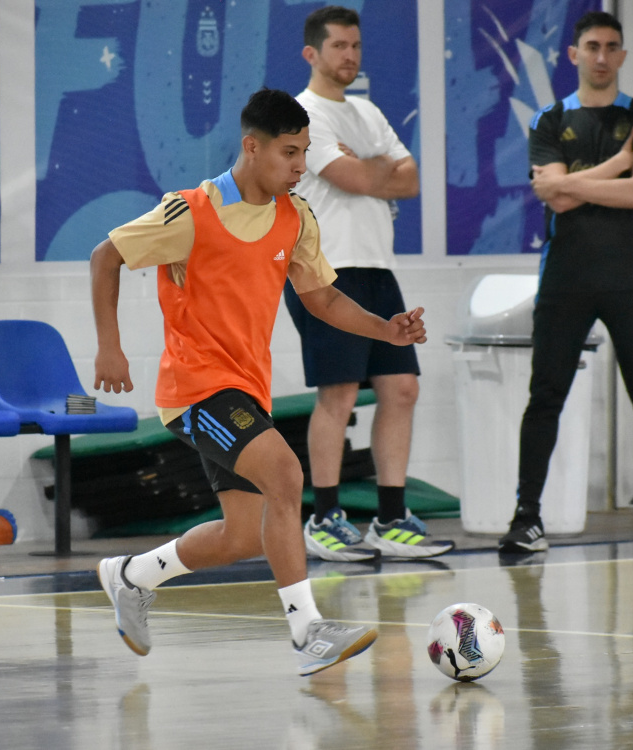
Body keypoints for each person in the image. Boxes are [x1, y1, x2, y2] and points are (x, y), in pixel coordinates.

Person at [90, 88, 429, 675]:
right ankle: (307, 632)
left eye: (305, 153)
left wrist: (386, 330)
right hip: (196, 388)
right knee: (287, 473)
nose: (300, 166)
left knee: (244, 536)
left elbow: (321, 297)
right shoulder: (188, 211)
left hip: (245, 391)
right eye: (290, 153)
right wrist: (110, 347)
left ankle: (131, 575)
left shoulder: (295, 217)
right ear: (253, 147)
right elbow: (105, 257)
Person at [498, 11, 633, 557]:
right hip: (565, 278)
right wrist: (618, 165)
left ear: (622, 56)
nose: (602, 56)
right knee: (545, 397)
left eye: (611, 47)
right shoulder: (548, 119)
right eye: (592, 46)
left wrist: (575, 182)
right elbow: (551, 196)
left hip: (632, 278)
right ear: (573, 55)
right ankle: (526, 518)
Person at [282, 6, 453, 562]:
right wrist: (376, 170)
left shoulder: (367, 110)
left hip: (377, 267)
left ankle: (389, 517)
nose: (350, 56)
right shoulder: (302, 114)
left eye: (355, 46)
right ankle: (325, 516)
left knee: (402, 388)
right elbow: (352, 176)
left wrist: (372, 169)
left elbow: (412, 180)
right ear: (312, 54)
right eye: (339, 47)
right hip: (324, 269)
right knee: (338, 394)